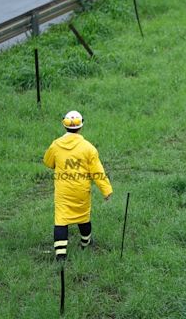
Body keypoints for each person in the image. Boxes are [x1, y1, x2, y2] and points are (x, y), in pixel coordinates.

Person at [43, 110, 112, 261]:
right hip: (81, 190)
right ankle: (85, 243)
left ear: (64, 125)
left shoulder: (56, 145)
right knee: (83, 217)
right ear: (81, 126)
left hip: (63, 191)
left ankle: (61, 256)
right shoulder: (88, 148)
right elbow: (97, 172)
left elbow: (48, 162)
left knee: (61, 220)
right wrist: (106, 190)